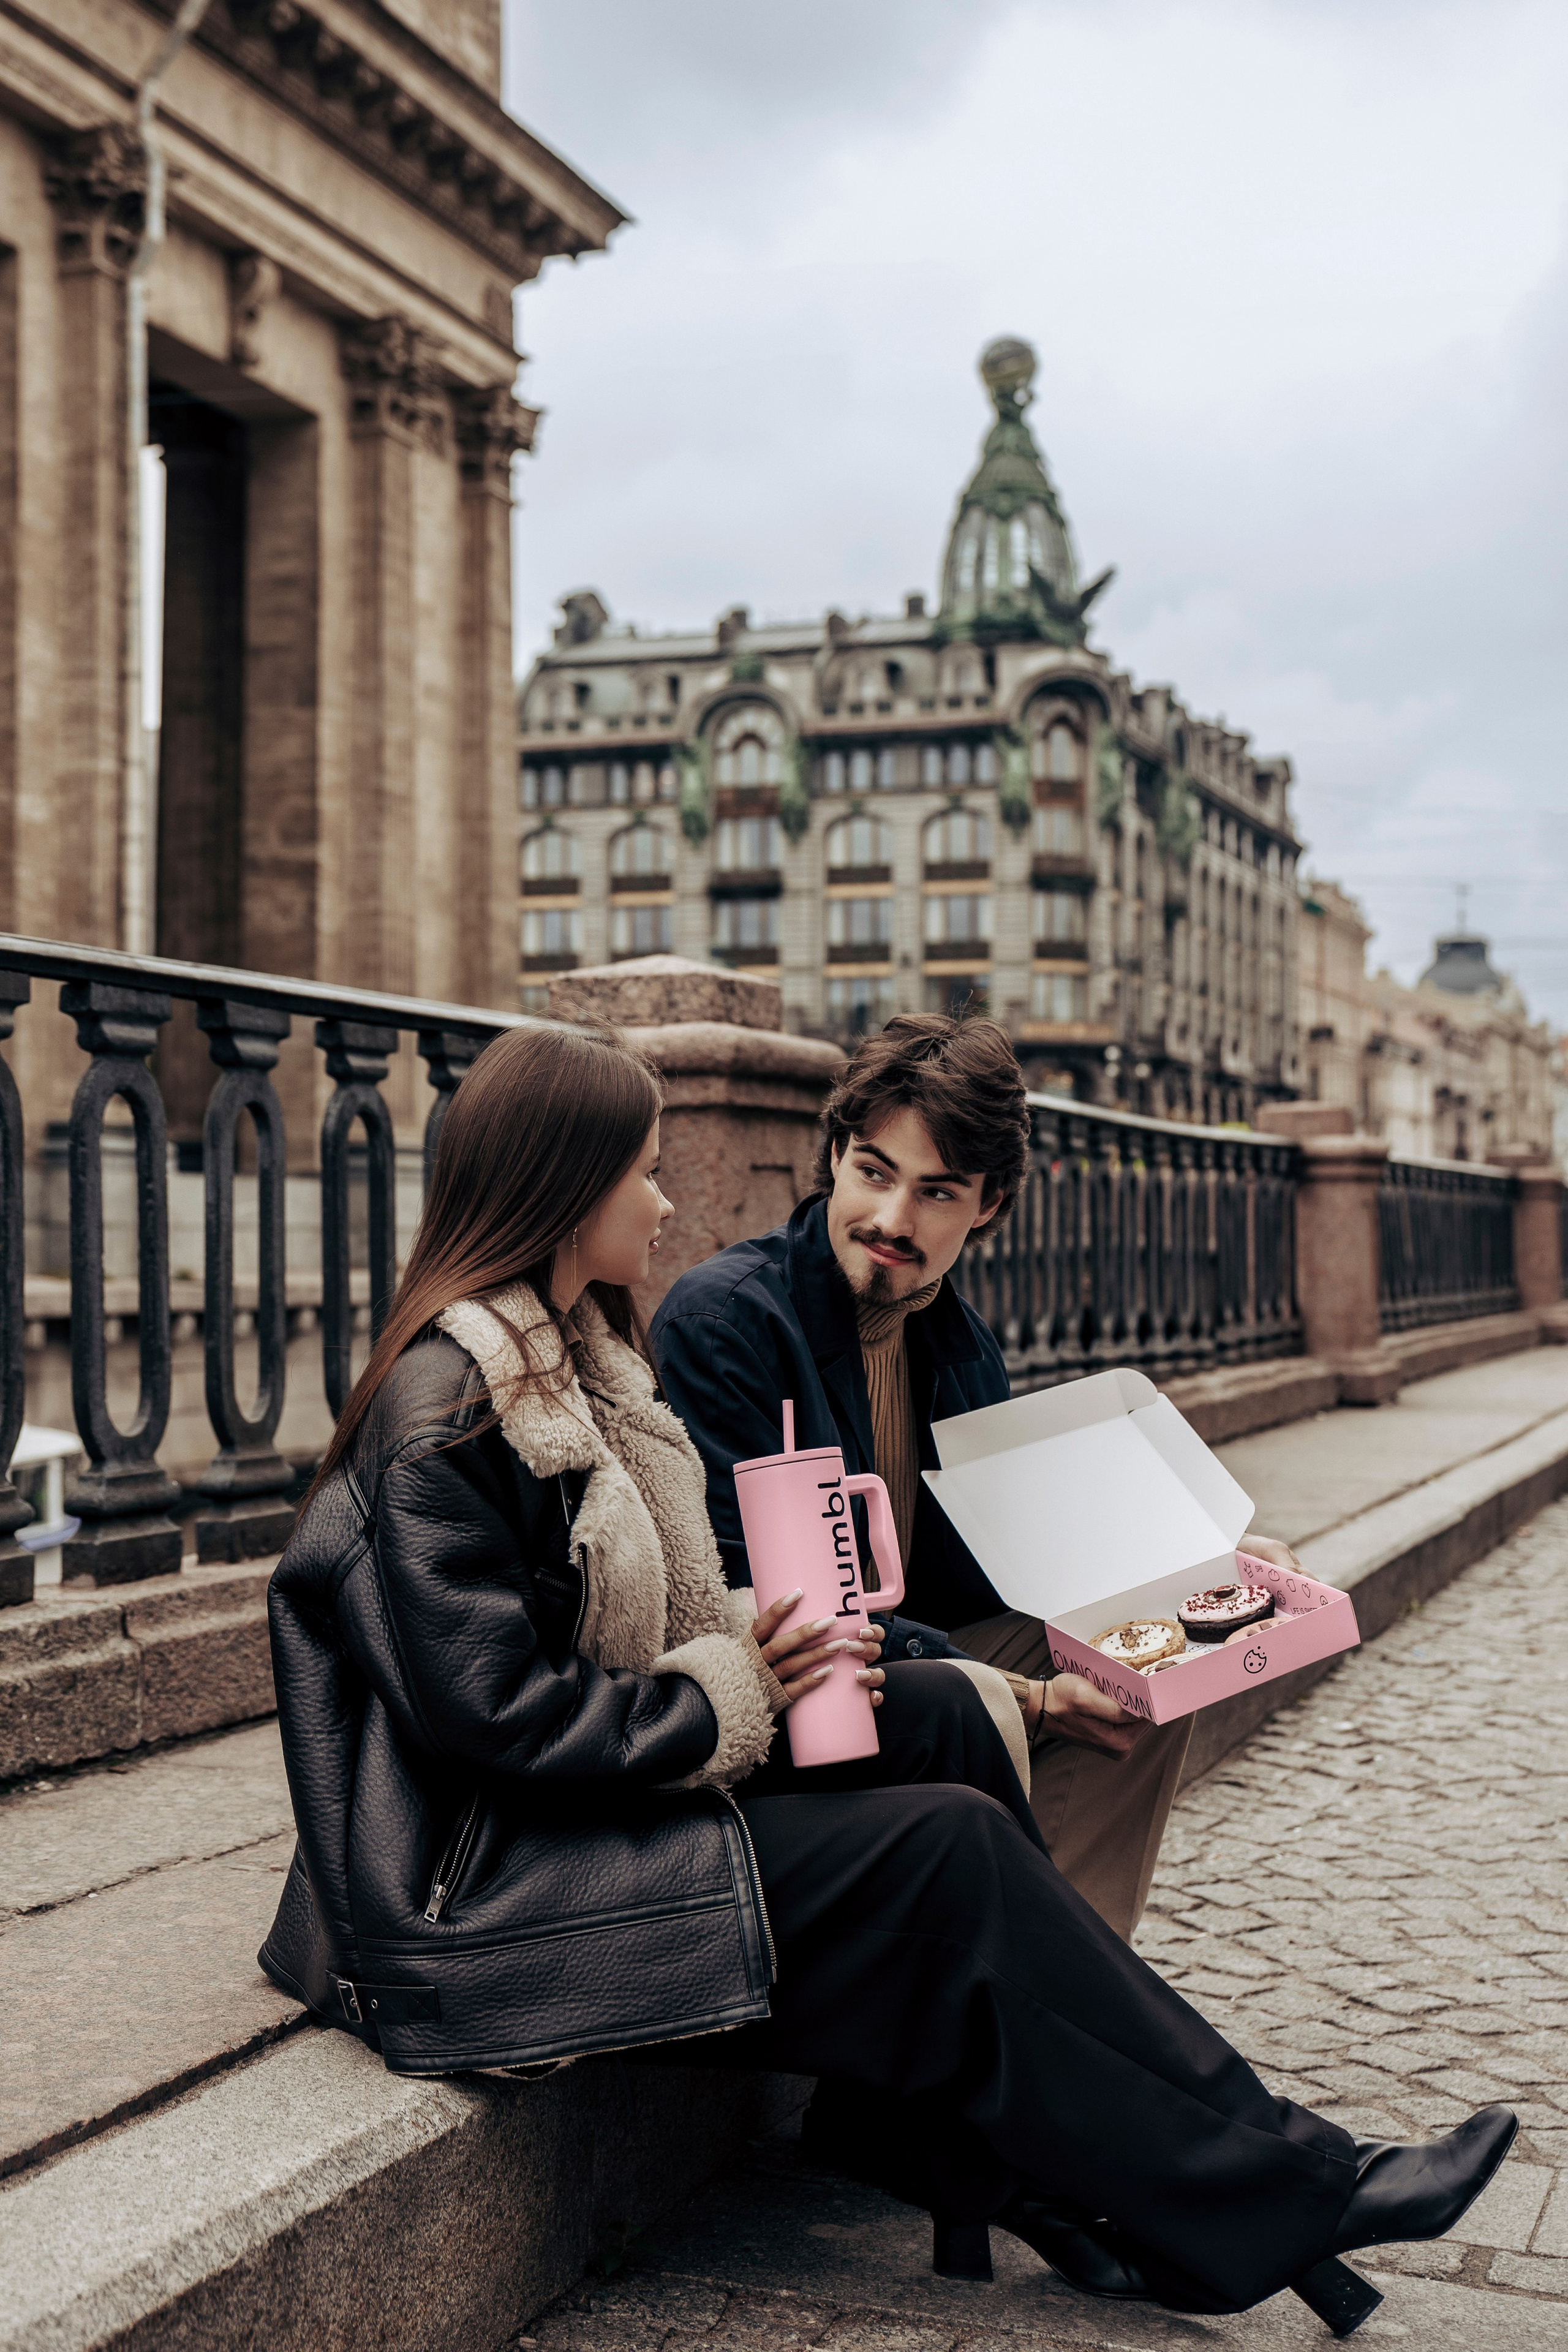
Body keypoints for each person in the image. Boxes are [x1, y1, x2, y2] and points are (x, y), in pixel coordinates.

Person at [261, 1020, 1513, 2336]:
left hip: (564, 1825)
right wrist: (735, 1682)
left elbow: (784, 1593)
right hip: (469, 1900)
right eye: (639, 1169)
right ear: (559, 1189)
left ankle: (1025, 2161)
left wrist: (1184, 1567)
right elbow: (493, 1726)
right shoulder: (451, 1412)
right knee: (947, 1851)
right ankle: (1294, 2185)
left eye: (938, 1191)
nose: (665, 1196)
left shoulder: (576, 1371)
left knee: (935, 1723)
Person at [652, 1011, 1298, 1944]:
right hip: (796, 1694)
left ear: (988, 1206)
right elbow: (756, 1603)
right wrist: (1027, 1696)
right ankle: (1040, 2003)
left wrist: (1197, 1558)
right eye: (875, 1172)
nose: (892, 1221)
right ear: (834, 1154)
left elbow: (1002, 1557)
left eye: (938, 1192)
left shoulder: (959, 1346)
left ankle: (1073, 1977)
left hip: (904, 1655)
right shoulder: (726, 1325)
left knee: (1145, 1662)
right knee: (985, 1695)